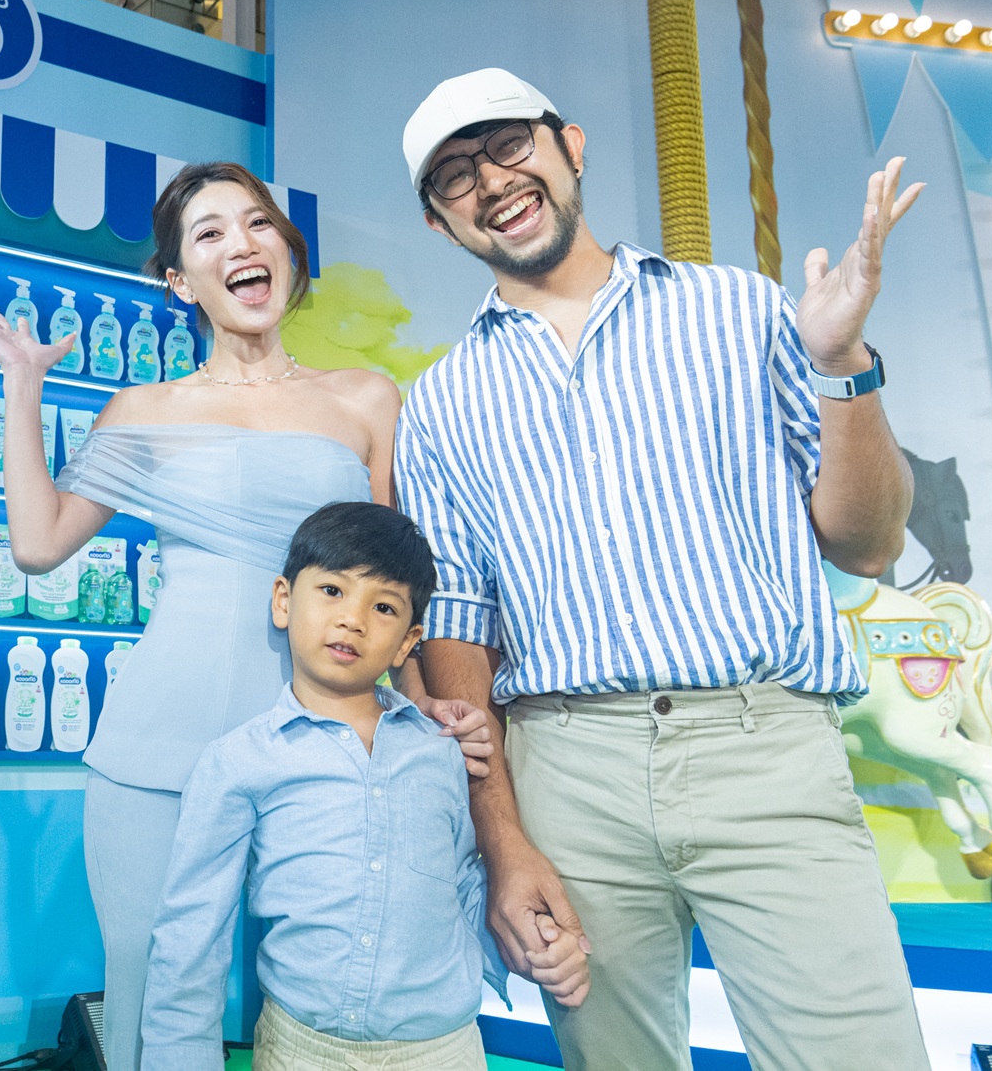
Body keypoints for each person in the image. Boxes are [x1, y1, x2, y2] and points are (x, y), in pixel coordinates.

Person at [392, 67, 929, 1071]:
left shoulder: (740, 310)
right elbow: (457, 624)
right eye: (454, 175)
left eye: (508, 145)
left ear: (570, 145)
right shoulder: (439, 402)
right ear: (437, 221)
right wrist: (503, 840)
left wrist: (839, 363)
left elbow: (866, 542)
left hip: (764, 745)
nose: (491, 181)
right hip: (562, 772)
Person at [0, 163, 492, 1071]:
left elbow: (390, 577)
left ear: (285, 250)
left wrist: (419, 702)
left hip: (327, 740)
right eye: (209, 233)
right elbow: (39, 542)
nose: (241, 243)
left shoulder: (366, 398)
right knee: (154, 982)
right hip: (161, 739)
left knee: (340, 975)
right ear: (180, 280)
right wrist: (21, 389)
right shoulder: (144, 409)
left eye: (258, 223)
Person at [141, 501, 588, 1071]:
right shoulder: (238, 762)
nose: (353, 619)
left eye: (383, 607)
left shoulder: (441, 751)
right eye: (332, 590)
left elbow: (461, 886)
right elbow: (191, 936)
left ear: (407, 641)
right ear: (284, 600)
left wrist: (539, 943)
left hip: (443, 1050)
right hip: (300, 1050)